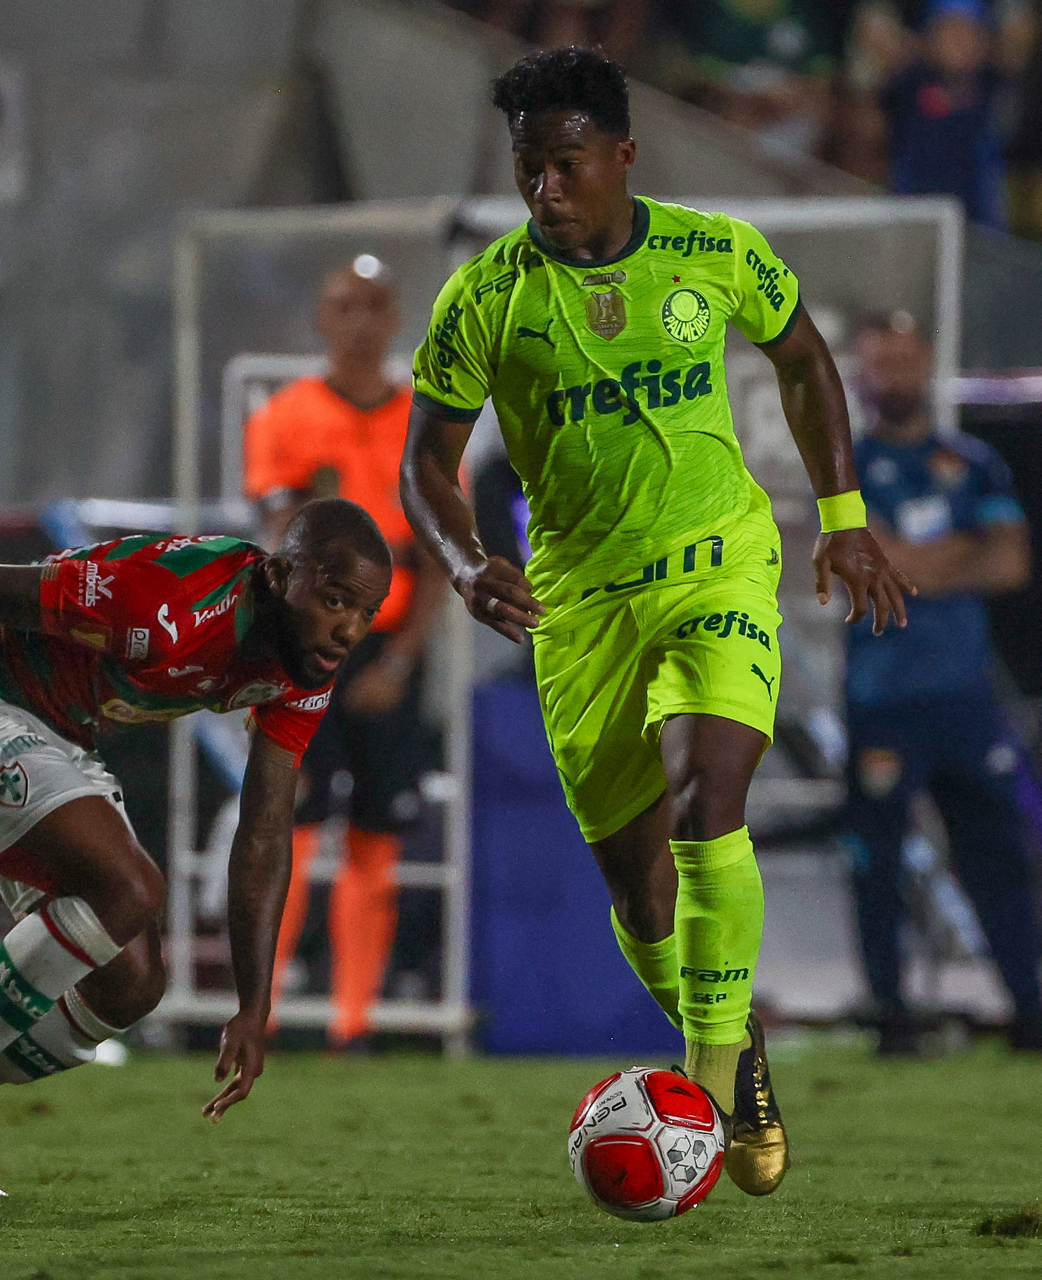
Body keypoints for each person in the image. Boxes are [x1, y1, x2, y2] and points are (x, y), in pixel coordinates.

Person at [401, 47, 911, 1198]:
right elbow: (425, 461)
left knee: (706, 799)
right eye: (529, 168)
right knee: (640, 899)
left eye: (566, 163)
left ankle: (713, 1075)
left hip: (716, 566)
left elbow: (801, 358)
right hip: (578, 608)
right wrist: (465, 560)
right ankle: (736, 1041)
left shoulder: (712, 250)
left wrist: (843, 518)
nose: (546, 189)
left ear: (623, 154)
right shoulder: (486, 296)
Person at [0, 499, 390, 1118]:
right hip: (9, 702)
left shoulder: (305, 668)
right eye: (335, 600)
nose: (349, 630)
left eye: (367, 612)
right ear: (278, 576)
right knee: (130, 889)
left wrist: (254, 1007)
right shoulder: (165, 603)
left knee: (132, 985)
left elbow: (264, 832)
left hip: (64, 734)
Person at [244, 260, 444, 1048]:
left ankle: (351, 1023)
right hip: (304, 647)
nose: (360, 322)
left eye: (374, 306)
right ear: (322, 319)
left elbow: (436, 557)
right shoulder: (286, 417)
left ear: (393, 318)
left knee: (377, 831)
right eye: (345, 306)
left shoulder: (425, 424)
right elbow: (276, 536)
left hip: (386, 646)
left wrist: (398, 663)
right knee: (285, 821)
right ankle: (258, 1009)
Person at [846, 312, 1042, 1054]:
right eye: (880, 364)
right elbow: (869, 563)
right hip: (882, 698)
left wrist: (910, 561)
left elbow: (1012, 565)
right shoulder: (845, 466)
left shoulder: (974, 462)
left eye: (904, 361)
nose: (894, 376)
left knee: (999, 853)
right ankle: (891, 1016)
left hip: (965, 695)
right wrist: (963, 552)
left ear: (926, 364)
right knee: (878, 861)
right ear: (861, 376)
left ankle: (1029, 1008)